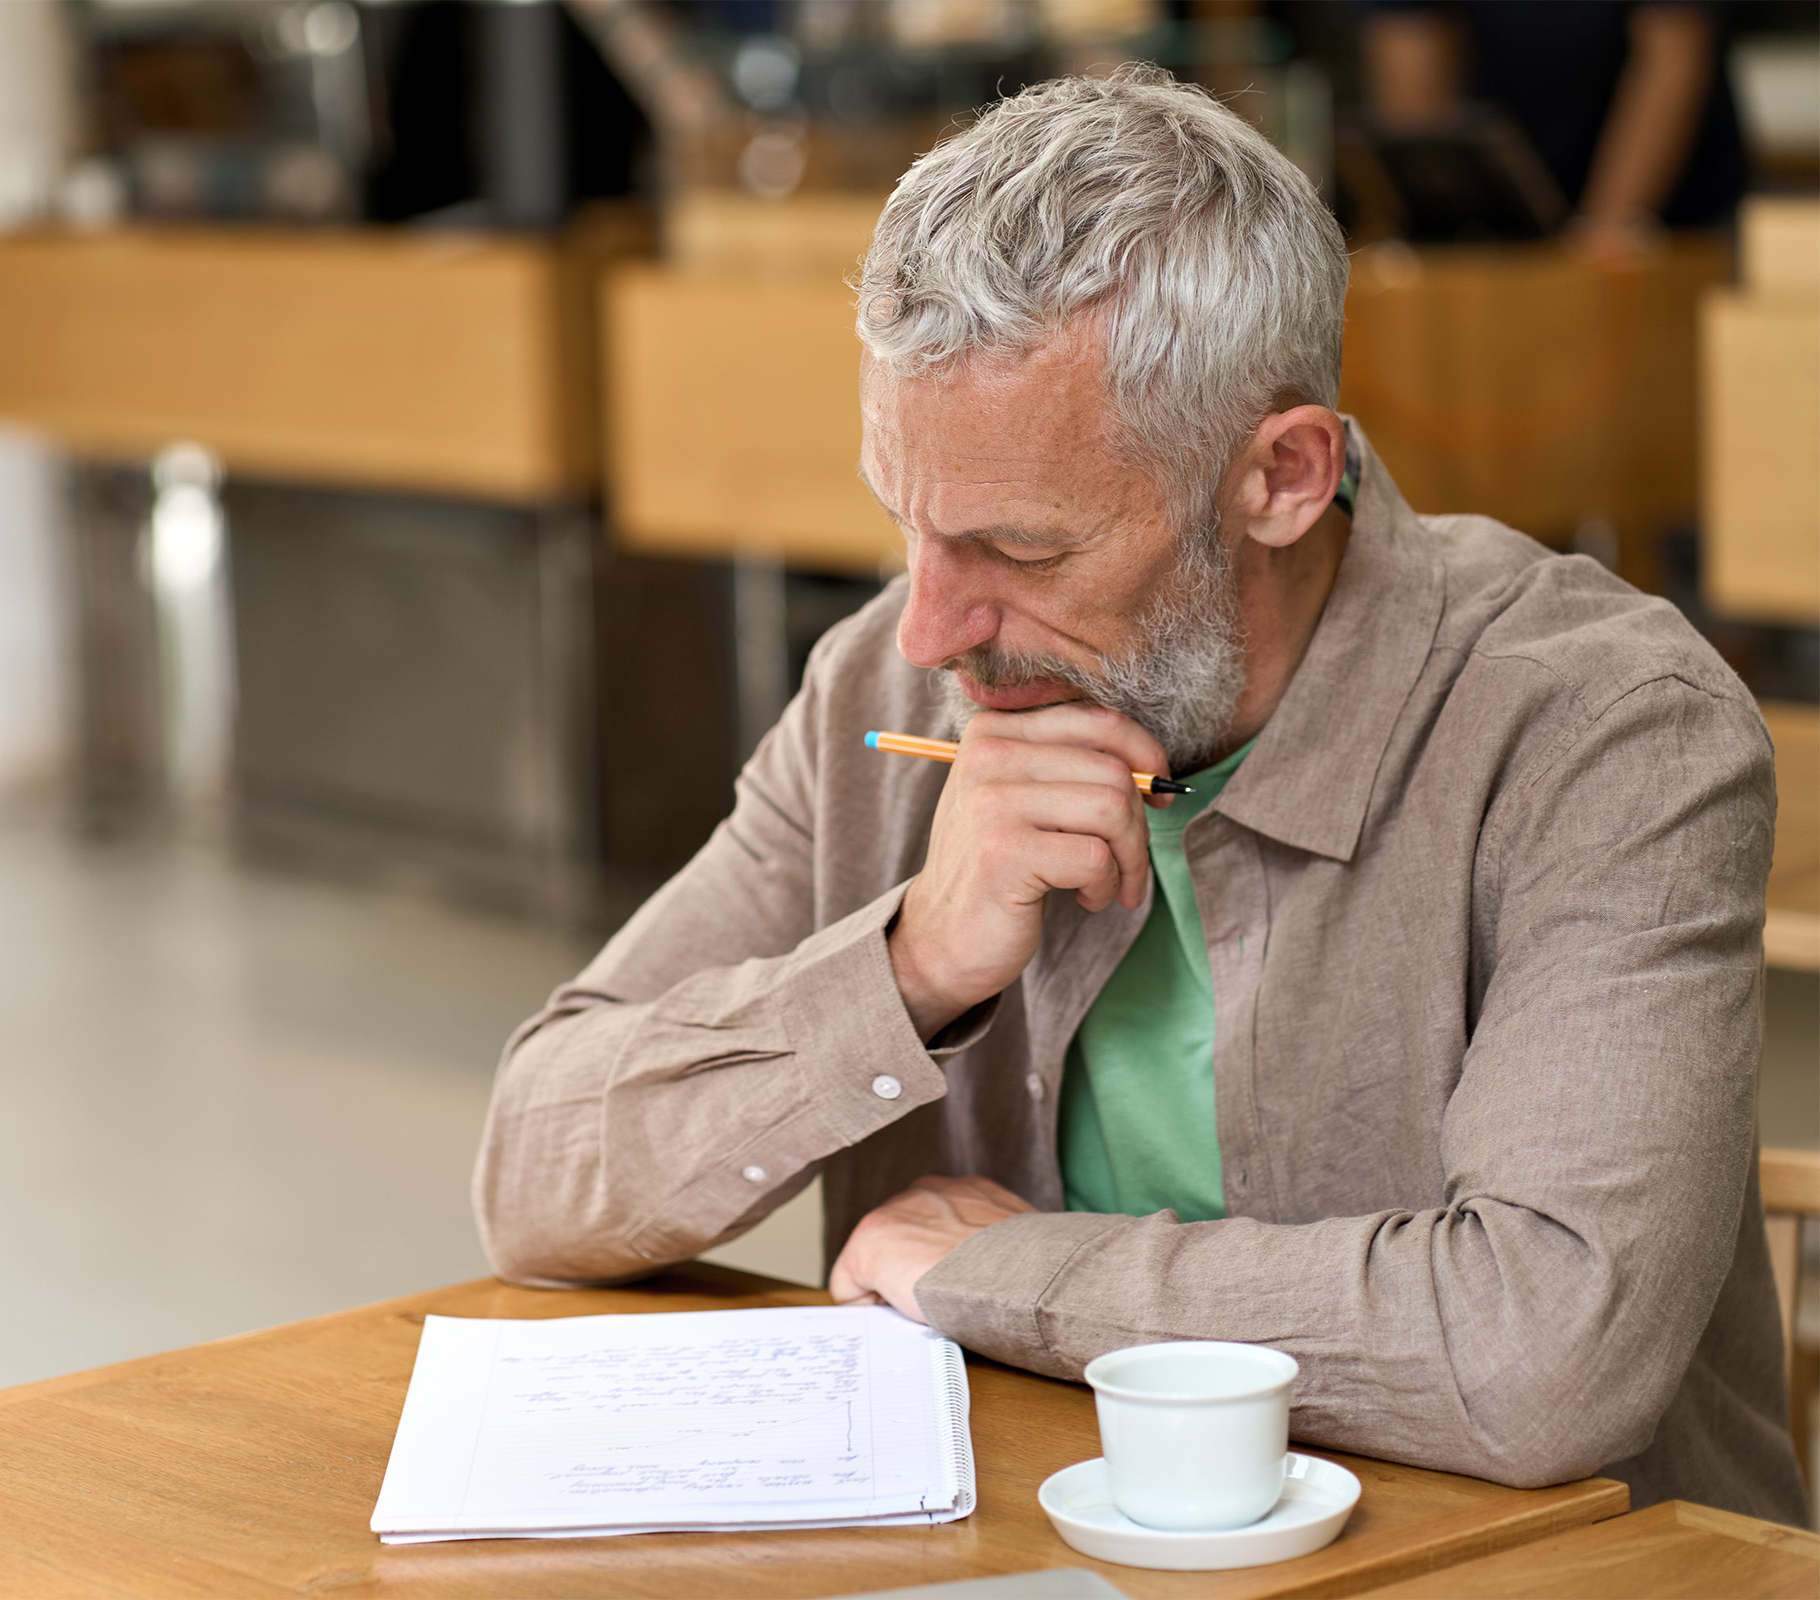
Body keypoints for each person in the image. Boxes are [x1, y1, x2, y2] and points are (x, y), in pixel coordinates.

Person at [473, 66, 1804, 1525]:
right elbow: (537, 1169)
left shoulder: (1604, 729)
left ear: (1283, 477)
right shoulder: (889, 689)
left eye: (1022, 552)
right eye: (905, 524)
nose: (929, 631)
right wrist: (910, 962)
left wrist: (1000, 1275)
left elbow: (1545, 1345)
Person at [1363, 1, 1746, 256]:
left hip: (1675, 220)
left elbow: (1672, 54)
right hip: (1500, 210)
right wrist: (1441, 220)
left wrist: (1606, 231)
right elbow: (1413, 76)